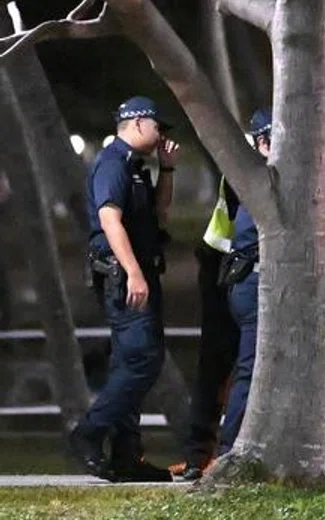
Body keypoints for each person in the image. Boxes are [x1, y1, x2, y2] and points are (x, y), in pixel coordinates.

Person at [67, 96, 178, 482]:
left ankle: (127, 455)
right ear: (137, 123)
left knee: (128, 362)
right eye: (157, 126)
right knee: (142, 359)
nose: (161, 134)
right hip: (124, 276)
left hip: (139, 272)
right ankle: (89, 432)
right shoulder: (112, 163)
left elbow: (159, 216)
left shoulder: (134, 167)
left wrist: (167, 169)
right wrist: (133, 272)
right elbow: (109, 221)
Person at [176, 166, 242, 480]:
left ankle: (204, 454)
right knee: (217, 363)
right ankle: (203, 455)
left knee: (223, 365)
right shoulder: (246, 169)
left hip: (229, 259)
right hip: (223, 262)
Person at [215, 110, 273, 455]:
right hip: (252, 281)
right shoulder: (261, 181)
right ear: (263, 142)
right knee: (251, 370)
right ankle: (230, 449)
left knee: (257, 369)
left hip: (246, 281)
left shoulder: (252, 176)